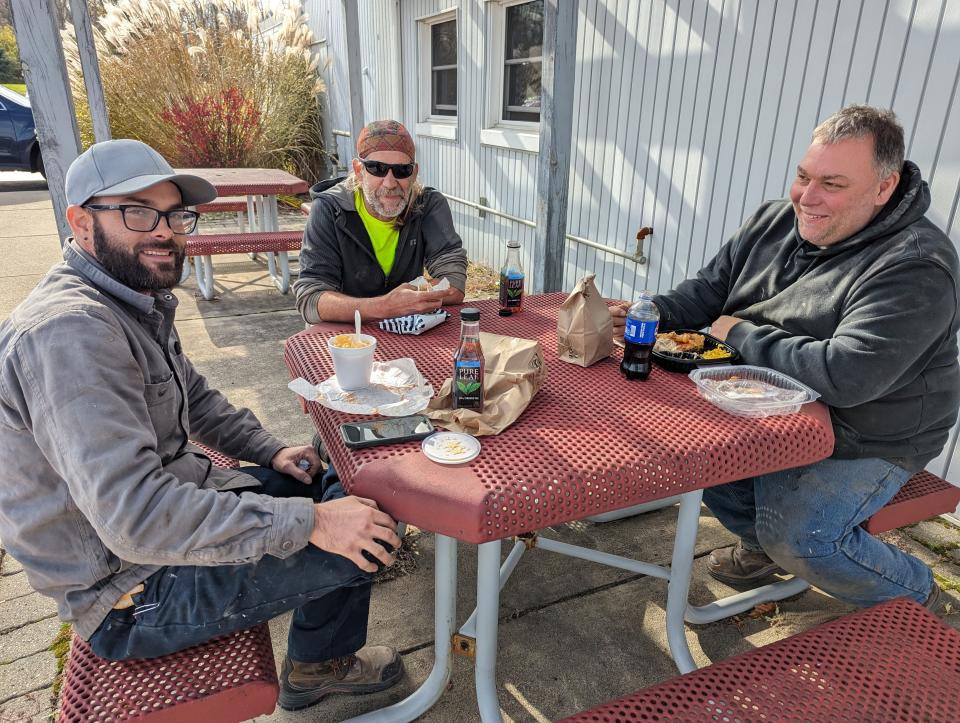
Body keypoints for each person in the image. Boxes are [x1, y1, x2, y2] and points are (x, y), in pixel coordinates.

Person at [0, 139, 405, 712]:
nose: (165, 231)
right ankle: (320, 669)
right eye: (137, 212)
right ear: (80, 221)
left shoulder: (128, 298)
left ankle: (320, 646)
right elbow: (137, 519)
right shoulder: (71, 333)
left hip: (172, 519)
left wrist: (270, 451)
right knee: (367, 536)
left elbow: (193, 395)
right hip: (131, 593)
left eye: (175, 215)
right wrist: (312, 521)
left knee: (344, 479)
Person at [611, 105, 958, 611]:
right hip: (763, 404)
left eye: (832, 184)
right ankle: (761, 548)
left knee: (800, 536)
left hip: (867, 434)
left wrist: (740, 335)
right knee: (698, 465)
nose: (807, 198)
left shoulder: (916, 264)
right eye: (803, 176)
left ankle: (917, 595)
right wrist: (652, 312)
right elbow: (709, 290)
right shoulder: (775, 218)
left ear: (884, 188)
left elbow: (846, 376)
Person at [294, 119, 468, 324]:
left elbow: (454, 282)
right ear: (359, 170)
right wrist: (386, 307)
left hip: (406, 330)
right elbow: (310, 298)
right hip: (345, 336)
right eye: (377, 168)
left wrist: (410, 300)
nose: (390, 182)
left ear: (414, 173)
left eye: (402, 170)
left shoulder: (428, 205)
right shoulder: (329, 209)